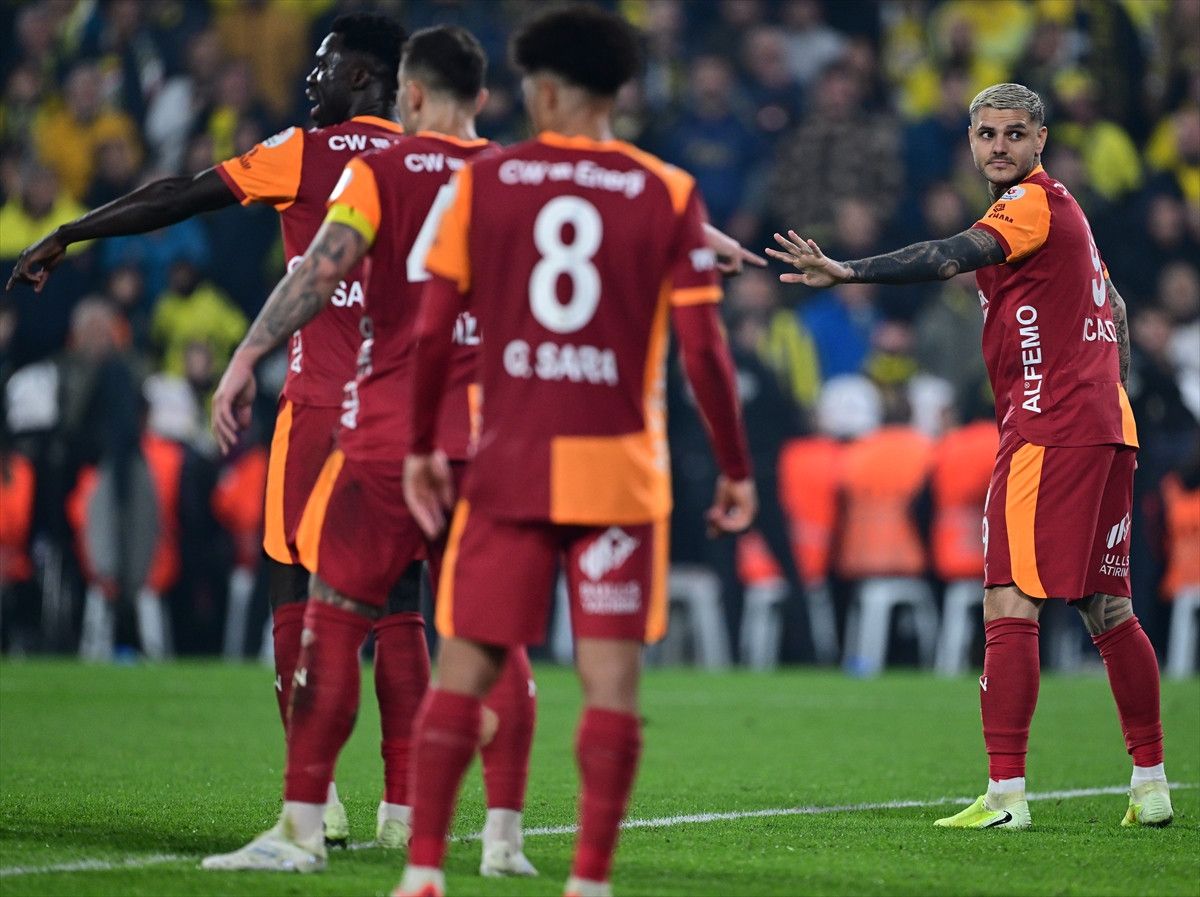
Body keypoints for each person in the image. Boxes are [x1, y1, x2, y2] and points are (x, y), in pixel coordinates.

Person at [7, 11, 410, 848]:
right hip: (400, 412)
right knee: (402, 604)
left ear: (363, 77)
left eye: (326, 64)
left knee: (290, 591)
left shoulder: (304, 152)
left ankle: (316, 799)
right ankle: (404, 809)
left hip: (317, 408)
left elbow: (175, 195)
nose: (310, 77)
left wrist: (74, 231)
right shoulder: (431, 164)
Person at [394, 7, 757, 897]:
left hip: (508, 462)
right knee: (610, 683)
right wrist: (736, 468)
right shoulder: (667, 190)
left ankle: (424, 871)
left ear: (549, 91)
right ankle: (589, 882)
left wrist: (421, 444)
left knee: (465, 667)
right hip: (618, 471)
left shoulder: (485, 180)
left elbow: (432, 332)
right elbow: (705, 353)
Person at [767, 82, 1171, 829]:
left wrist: (850, 271)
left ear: (1041, 140)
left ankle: (1006, 795)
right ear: (971, 141)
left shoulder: (1030, 204)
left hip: (1050, 428)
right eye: (987, 134)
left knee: (1008, 598)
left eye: (1015, 133)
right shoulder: (1068, 214)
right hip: (1106, 427)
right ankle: (1152, 785)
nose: (999, 146)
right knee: (1107, 606)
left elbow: (951, 255)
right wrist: (1099, 386)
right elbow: (1112, 308)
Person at [202, 25, 538, 876]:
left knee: (333, 621)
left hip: (387, 435)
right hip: (482, 441)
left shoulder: (378, 171)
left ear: (410, 94)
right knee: (484, 630)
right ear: (483, 98)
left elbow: (318, 275)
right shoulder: (512, 179)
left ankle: (304, 827)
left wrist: (245, 357)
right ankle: (498, 840)